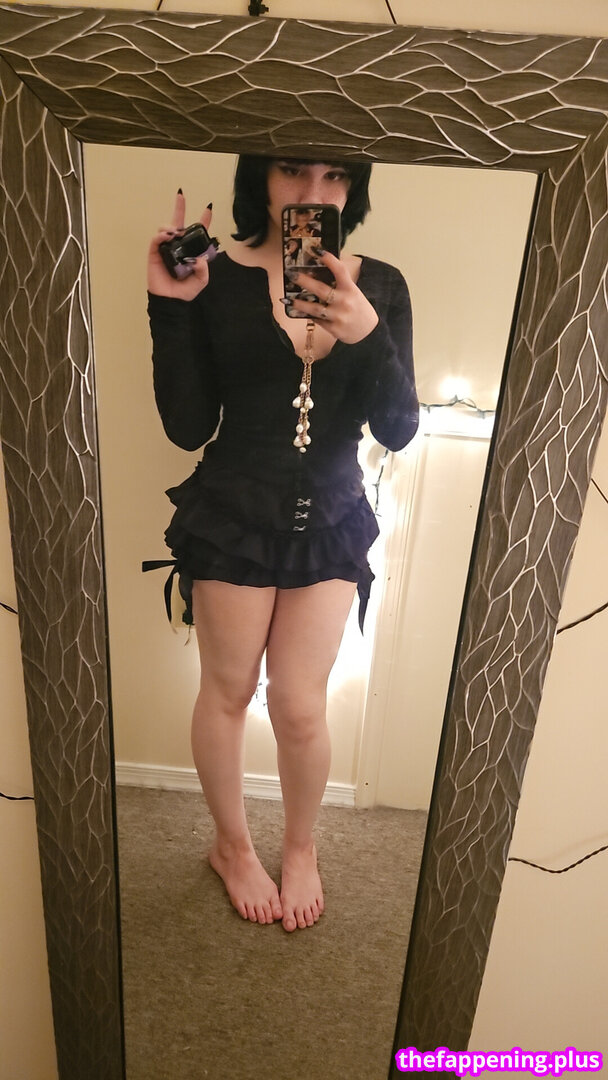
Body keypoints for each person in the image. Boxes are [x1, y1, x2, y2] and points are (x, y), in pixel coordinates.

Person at [146, 156, 419, 932]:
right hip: (232, 513)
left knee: (299, 706)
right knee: (227, 691)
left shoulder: (382, 286)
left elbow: (399, 429)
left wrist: (367, 334)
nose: (311, 193)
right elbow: (188, 427)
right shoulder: (214, 275)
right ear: (259, 177)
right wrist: (171, 307)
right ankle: (231, 847)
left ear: (353, 188)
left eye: (335, 177)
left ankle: (301, 847)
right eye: (293, 169)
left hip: (331, 518)